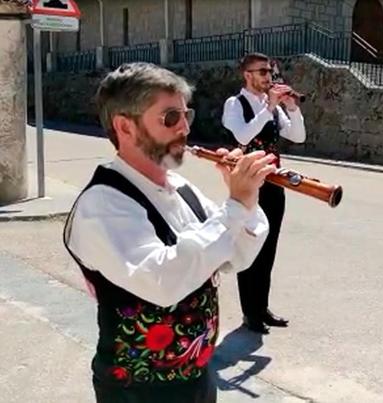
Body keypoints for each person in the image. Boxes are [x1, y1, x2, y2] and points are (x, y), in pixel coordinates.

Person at [62, 62, 274, 402]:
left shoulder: (181, 188)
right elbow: (161, 282)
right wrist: (234, 205)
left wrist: (246, 201)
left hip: (197, 379)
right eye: (170, 118)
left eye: (186, 115)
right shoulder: (102, 203)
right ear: (125, 127)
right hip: (137, 391)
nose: (185, 128)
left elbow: (236, 256)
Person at [222, 52, 306, 334]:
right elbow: (243, 136)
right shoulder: (234, 104)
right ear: (247, 75)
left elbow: (298, 136)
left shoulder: (271, 106)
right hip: (247, 186)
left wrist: (292, 108)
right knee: (250, 247)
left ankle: (262, 307)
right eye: (262, 72)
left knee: (268, 248)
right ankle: (250, 313)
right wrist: (268, 106)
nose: (268, 77)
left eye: (270, 72)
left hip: (274, 184)